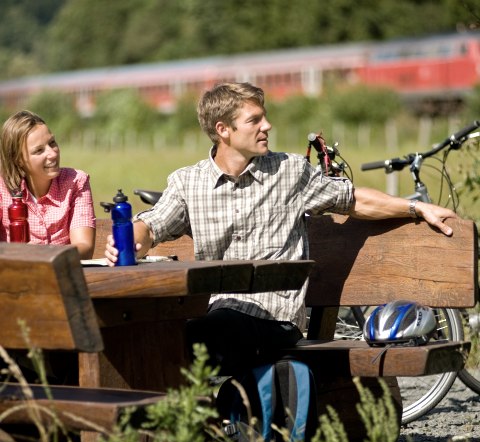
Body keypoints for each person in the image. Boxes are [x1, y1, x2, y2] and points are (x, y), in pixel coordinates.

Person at [104, 82, 456, 374]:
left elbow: (352, 199)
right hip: (220, 315)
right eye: (254, 120)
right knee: (149, 335)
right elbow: (150, 225)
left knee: (200, 336)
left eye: (265, 117)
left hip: (277, 321)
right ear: (223, 130)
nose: (267, 126)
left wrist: (415, 206)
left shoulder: (289, 171)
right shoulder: (187, 182)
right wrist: (129, 241)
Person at [0, 110, 96, 259]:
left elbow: (84, 246)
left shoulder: (76, 181)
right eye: (39, 150)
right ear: (18, 159)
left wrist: (43, 258)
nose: (52, 154)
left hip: (61, 276)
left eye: (52, 143)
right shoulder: (2, 189)